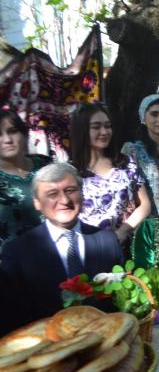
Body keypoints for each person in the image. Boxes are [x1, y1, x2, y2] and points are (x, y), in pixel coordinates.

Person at [0, 163, 123, 333]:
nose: (64, 201)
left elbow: (122, 300)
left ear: (82, 194)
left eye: (70, 190)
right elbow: (9, 316)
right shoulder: (17, 252)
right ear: (37, 203)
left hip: (105, 339)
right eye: (52, 194)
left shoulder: (107, 241)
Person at [69, 103, 151, 244]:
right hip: (86, 246)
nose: (104, 132)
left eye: (107, 126)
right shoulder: (71, 171)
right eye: (96, 127)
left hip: (124, 246)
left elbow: (145, 205)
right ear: (82, 130)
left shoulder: (126, 163)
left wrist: (123, 232)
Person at [0, 110, 52, 252]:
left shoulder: (46, 166)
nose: (7, 140)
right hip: (9, 261)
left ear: (24, 134)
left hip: (54, 255)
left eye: (13, 131)